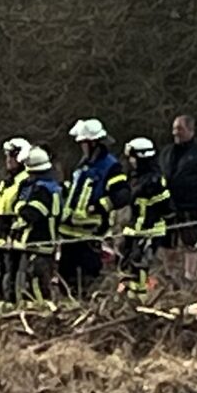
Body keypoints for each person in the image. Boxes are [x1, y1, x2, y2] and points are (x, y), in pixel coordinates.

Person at [57, 118, 123, 296]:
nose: (81, 147)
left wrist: (98, 207)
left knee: (87, 277)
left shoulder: (111, 166)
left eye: (83, 143)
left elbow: (121, 195)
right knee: (66, 276)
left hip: (91, 232)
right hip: (70, 232)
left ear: (92, 142)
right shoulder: (84, 164)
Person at [160, 114, 197, 292]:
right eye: (174, 128)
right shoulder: (167, 152)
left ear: (191, 130)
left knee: (192, 242)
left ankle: (190, 276)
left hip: (191, 205)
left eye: (180, 129)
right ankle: (170, 275)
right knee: (168, 242)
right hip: (168, 205)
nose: (175, 132)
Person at [9, 143, 62, 303]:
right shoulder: (41, 187)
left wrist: (19, 206)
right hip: (33, 244)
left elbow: (31, 214)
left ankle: (42, 314)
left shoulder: (43, 190)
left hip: (40, 243)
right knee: (28, 283)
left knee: (37, 283)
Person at [118, 136, 171, 290]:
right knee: (129, 266)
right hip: (134, 230)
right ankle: (131, 296)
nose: (131, 162)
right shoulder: (134, 178)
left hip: (150, 231)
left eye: (133, 158)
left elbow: (164, 207)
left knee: (143, 267)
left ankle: (143, 296)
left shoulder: (155, 181)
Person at [0, 139, 33, 304]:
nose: (8, 159)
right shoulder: (6, 181)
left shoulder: (25, 180)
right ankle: (1, 303)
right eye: (7, 155)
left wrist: (13, 231)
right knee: (1, 270)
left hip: (14, 230)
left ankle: (12, 302)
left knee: (13, 270)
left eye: (12, 155)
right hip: (1, 230)